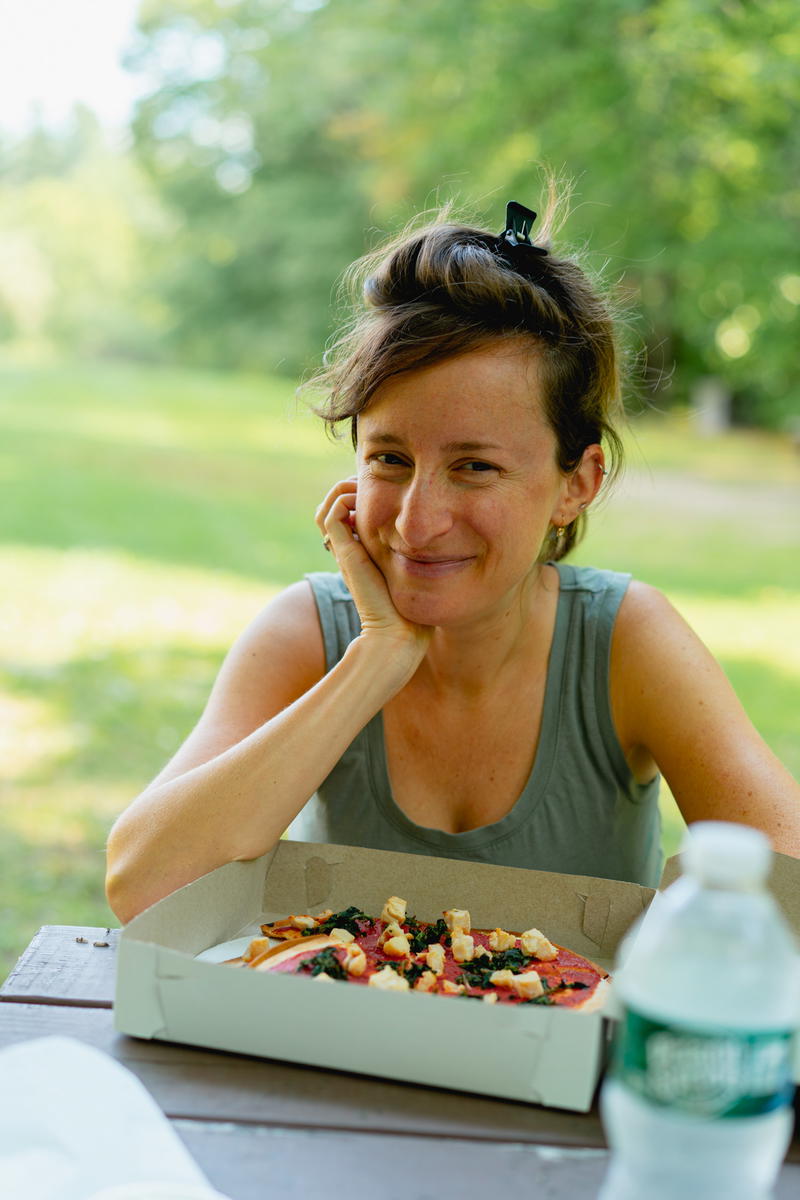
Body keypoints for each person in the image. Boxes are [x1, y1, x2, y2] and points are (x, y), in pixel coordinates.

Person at [105, 198, 800, 924]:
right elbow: (144, 886)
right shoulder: (306, 634)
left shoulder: (628, 641)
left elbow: (789, 889)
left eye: (474, 466)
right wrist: (373, 661)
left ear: (577, 484)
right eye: (390, 458)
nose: (416, 521)